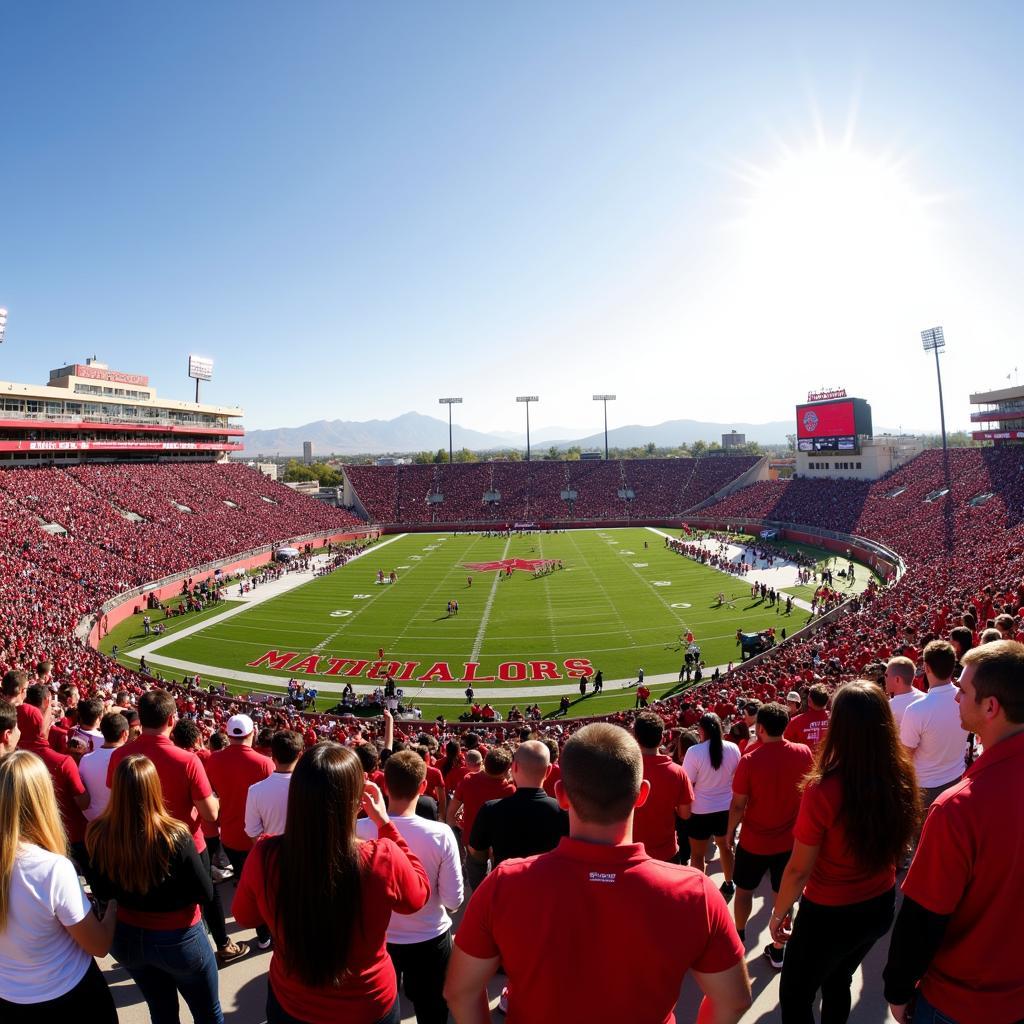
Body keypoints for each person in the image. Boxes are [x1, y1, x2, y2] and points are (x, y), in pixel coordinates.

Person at [444, 723, 752, 1023]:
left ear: (562, 795)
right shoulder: (696, 892)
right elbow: (734, 1000)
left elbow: (460, 992)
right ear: (642, 795)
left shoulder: (505, 883)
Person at [233, 742, 429, 1024]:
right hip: (367, 1004)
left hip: (293, 1002)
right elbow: (418, 896)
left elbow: (244, 915)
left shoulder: (265, 853)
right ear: (354, 799)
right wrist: (385, 824)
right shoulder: (381, 855)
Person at [884, 640, 1024, 1024]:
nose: (956, 697)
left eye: (963, 690)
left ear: (991, 707)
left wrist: (897, 990)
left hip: (959, 1000)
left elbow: (922, 917)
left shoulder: (958, 808)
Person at [769, 681, 920, 1024]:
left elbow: (798, 870)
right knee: (839, 978)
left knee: (795, 996)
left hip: (829, 913)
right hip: (879, 904)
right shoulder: (901, 774)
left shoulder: (823, 789)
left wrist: (778, 915)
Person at [107, 690, 248, 967]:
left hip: (137, 841)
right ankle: (222, 944)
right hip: (186, 845)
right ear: (171, 719)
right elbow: (210, 813)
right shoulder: (187, 760)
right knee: (206, 895)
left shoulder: (120, 755)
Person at [86, 754, 223, 1023]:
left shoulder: (99, 832)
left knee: (161, 1011)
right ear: (154, 788)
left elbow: (101, 890)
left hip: (126, 937)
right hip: (179, 938)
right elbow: (205, 893)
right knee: (208, 1013)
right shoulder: (175, 834)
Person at [0, 750, 117, 1022]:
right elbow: (98, 945)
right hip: (70, 995)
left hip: (9, 996)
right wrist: (110, 911)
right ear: (43, 799)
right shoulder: (51, 869)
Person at [357, 750, 463, 1024]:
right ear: (423, 787)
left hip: (375, 938)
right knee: (432, 1012)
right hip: (429, 939)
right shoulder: (441, 835)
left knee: (377, 1012)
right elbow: (453, 900)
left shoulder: (356, 830)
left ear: (385, 785)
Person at [726, 702, 813, 957]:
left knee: (743, 891)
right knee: (784, 894)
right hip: (789, 840)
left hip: (754, 840)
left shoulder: (750, 760)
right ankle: (778, 948)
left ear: (760, 728)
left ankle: (739, 939)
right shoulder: (803, 752)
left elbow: (738, 805)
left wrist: (730, 831)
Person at [206, 714, 274, 950]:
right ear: (252, 733)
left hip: (231, 835)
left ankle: (263, 931)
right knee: (263, 887)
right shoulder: (264, 763)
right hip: (259, 837)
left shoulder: (214, 760)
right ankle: (265, 932)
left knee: (247, 880)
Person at [467, 741, 568, 886]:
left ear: (513, 767)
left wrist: (483, 889)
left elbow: (476, 855)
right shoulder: (564, 812)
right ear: (549, 770)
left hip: (505, 890)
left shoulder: (491, 810)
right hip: (549, 893)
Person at [899, 640, 968, 810]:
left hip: (926, 790)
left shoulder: (917, 710)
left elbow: (905, 756)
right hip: (958, 780)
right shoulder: (966, 699)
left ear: (927, 668)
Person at [682, 712, 741, 894]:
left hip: (700, 811)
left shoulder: (694, 752)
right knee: (725, 847)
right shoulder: (733, 748)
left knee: (698, 855)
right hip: (725, 808)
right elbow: (735, 778)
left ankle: (700, 891)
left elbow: (687, 782)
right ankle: (729, 883)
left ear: (701, 730)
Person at [632, 712, 693, 862]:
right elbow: (685, 814)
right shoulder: (678, 772)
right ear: (662, 738)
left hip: (632, 851)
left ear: (635, 738)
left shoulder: (623, 770)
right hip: (666, 851)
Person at [447, 746, 514, 846]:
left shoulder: (468, 780)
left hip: (471, 840)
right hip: (497, 843)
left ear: (484, 763)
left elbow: (450, 814)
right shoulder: (510, 790)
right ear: (507, 769)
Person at [245, 729, 303, 841]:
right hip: (304, 854)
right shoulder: (313, 786)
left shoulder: (255, 790)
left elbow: (253, 833)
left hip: (272, 853)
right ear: (300, 755)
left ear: (273, 754)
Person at [79, 712, 129, 822]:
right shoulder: (128, 761)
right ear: (125, 734)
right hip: (119, 821)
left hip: (93, 820)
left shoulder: (85, 759)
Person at [784, 683, 830, 749]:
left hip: (805, 758)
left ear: (809, 701)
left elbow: (785, 745)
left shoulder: (795, 722)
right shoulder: (837, 719)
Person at [884, 657, 925, 728]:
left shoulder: (889, 708)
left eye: (886, 675)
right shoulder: (926, 698)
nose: (884, 678)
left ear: (897, 679)